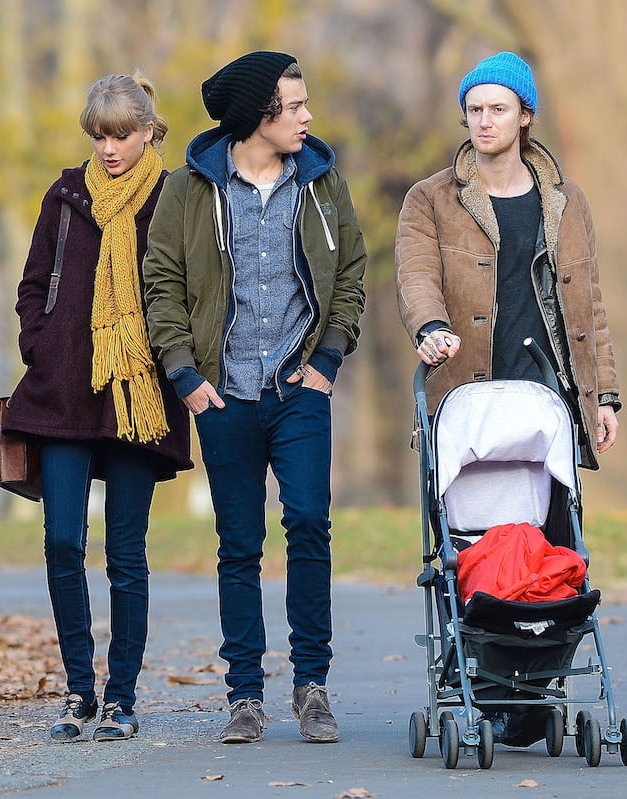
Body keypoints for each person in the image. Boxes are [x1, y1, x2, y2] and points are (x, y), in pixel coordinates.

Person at [142, 52, 367, 745]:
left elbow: (351, 270)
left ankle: (312, 685)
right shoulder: (189, 190)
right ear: (260, 116)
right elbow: (163, 284)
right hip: (224, 393)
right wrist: (185, 375)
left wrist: (328, 358)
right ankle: (244, 693)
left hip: (301, 386)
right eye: (295, 106)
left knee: (308, 523)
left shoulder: (322, 183)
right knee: (238, 543)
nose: (306, 117)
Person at [4, 73, 192, 743]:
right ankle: (78, 690)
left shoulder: (173, 197)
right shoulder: (65, 194)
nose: (109, 148)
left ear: (148, 131)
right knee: (61, 541)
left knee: (127, 552)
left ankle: (122, 697)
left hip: (136, 396)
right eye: (99, 135)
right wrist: (43, 343)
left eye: (120, 135)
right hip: (62, 394)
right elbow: (32, 285)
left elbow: (188, 289)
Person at [395, 51, 620, 471]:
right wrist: (432, 329)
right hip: (464, 396)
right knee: (465, 527)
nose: (484, 120)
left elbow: (590, 304)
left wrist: (604, 396)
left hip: (549, 395)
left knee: (552, 529)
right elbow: (416, 276)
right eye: (475, 109)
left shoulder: (567, 200)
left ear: (524, 116)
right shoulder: (429, 199)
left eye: (498, 109)